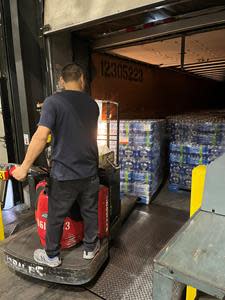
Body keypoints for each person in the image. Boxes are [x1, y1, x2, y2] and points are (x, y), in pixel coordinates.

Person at [12, 63, 100, 267]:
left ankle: (52, 256)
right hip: (89, 171)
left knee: (56, 216)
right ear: (82, 79)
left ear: (61, 81)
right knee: (89, 211)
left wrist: (24, 167)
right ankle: (90, 248)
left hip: (64, 173)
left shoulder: (53, 102)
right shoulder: (93, 104)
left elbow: (41, 137)